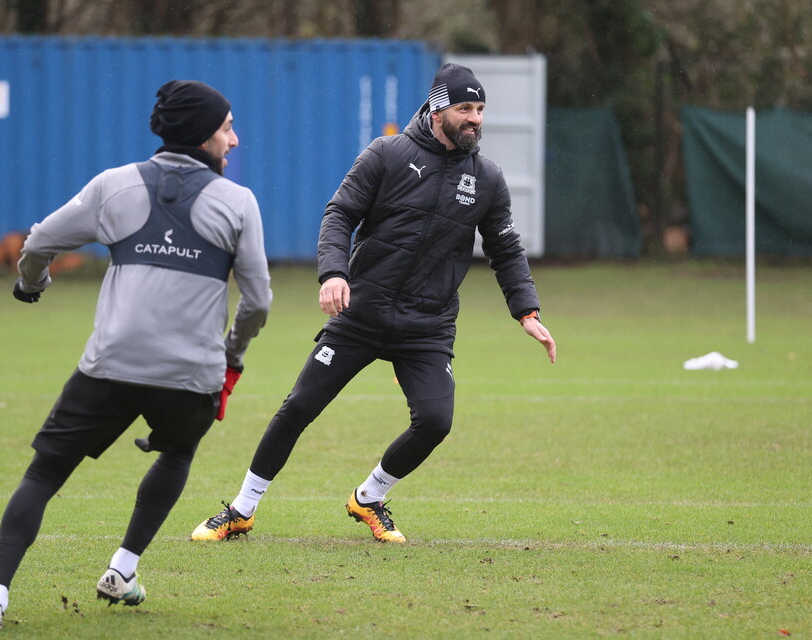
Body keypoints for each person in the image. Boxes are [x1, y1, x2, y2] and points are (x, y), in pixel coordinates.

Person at [0, 79, 272, 630]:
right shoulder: (238, 202)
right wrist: (231, 356)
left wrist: (32, 284)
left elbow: (39, 242)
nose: (234, 140)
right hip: (191, 373)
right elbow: (259, 301)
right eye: (227, 128)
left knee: (44, 475)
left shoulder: (113, 185)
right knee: (178, 452)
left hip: (110, 365)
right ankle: (122, 570)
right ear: (203, 136)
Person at [190, 63, 555, 545]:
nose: (475, 119)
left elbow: (505, 249)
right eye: (465, 108)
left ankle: (369, 497)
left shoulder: (487, 178)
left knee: (435, 422)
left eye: (481, 109)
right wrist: (333, 273)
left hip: (427, 324)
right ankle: (241, 509)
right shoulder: (388, 154)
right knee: (299, 407)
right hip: (361, 313)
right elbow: (339, 214)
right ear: (439, 110)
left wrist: (527, 311)